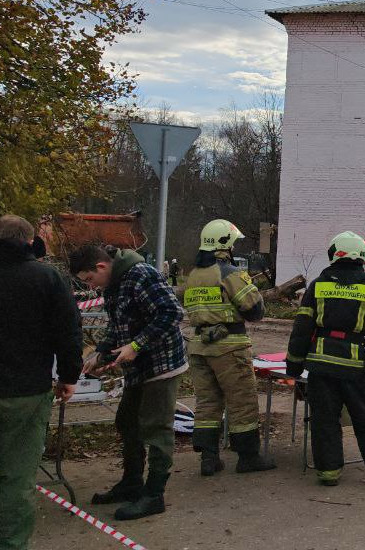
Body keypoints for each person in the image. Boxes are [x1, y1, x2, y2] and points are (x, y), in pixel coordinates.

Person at [70, 244, 187, 521]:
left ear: (101, 267)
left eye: (89, 279)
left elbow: (172, 313)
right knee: (127, 421)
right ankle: (132, 483)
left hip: (162, 364)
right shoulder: (113, 285)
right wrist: (100, 354)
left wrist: (137, 344)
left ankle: (154, 495)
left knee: (156, 428)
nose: (91, 285)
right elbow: (118, 326)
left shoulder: (140, 274)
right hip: (139, 369)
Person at [287, 231, 365, 486]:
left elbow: (302, 328)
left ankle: (328, 474)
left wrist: (293, 363)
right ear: (361, 256)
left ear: (333, 254)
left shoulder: (318, 285)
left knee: (324, 420)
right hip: (357, 367)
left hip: (322, 367)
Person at [0, 216, 82, 550]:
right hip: (27, 392)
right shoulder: (47, 278)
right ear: (29, 241)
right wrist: (68, 377)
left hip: (25, 388)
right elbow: (68, 332)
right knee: (17, 478)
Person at [183, 219, 275, 476]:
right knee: (242, 402)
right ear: (225, 243)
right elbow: (254, 311)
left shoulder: (193, 275)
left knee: (208, 403)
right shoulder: (229, 273)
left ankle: (209, 459)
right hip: (229, 348)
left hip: (200, 347)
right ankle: (248, 457)